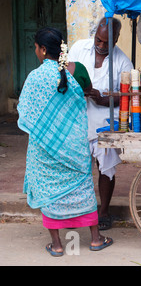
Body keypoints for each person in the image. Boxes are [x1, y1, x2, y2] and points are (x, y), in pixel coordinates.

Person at [17, 27, 113, 257]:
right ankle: (96, 239)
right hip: (74, 146)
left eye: (36, 48)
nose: (35, 51)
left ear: (42, 50)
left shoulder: (35, 77)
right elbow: (88, 93)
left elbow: (28, 113)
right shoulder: (76, 70)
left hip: (45, 147)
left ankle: (58, 245)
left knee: (50, 190)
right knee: (83, 189)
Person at [68, 17, 134, 230]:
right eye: (99, 40)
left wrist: (103, 99)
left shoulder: (123, 62)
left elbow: (129, 96)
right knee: (75, 168)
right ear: (95, 32)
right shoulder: (79, 48)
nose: (101, 45)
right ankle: (73, 211)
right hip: (77, 117)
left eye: (107, 43)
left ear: (116, 40)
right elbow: (65, 75)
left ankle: (103, 211)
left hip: (105, 119)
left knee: (105, 168)